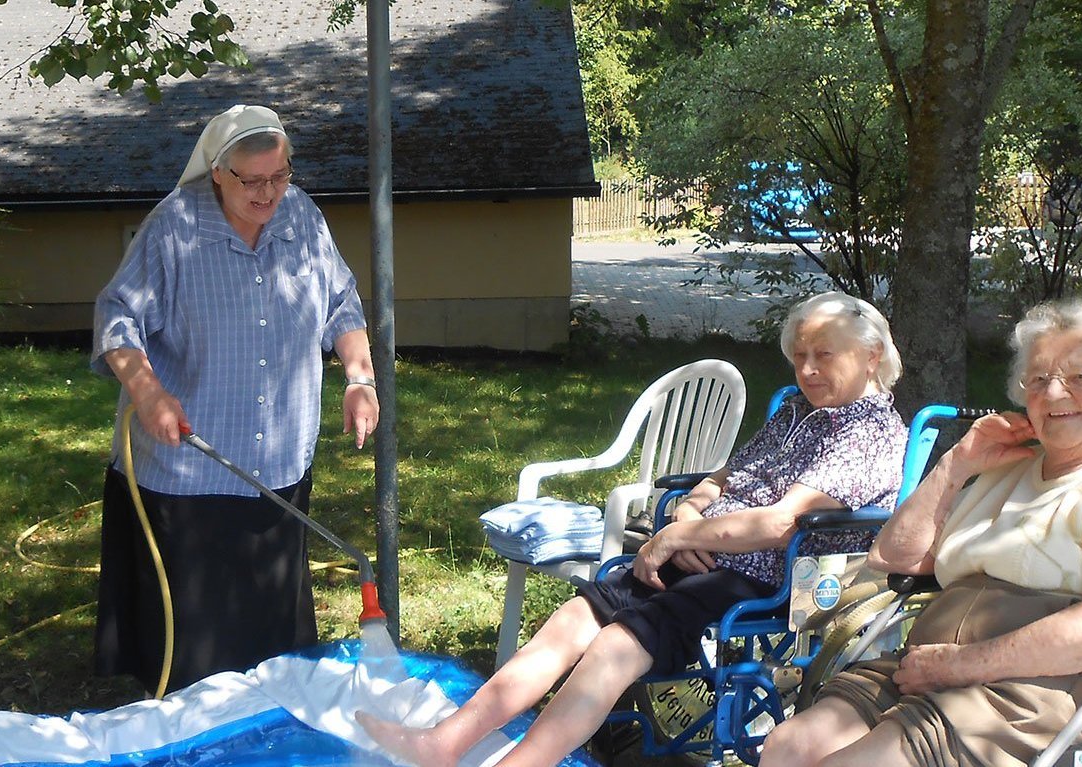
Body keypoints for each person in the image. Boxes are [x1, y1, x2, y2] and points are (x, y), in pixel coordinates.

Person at [359, 291, 908, 767]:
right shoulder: (796, 411)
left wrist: (675, 538)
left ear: (871, 356)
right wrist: (687, 512)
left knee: (616, 646)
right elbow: (726, 477)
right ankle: (444, 743)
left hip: (770, 580)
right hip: (707, 552)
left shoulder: (869, 435)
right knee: (575, 618)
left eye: (823, 356)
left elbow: (779, 523)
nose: (807, 369)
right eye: (800, 357)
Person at [763, 299, 1082, 767]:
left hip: (1060, 689)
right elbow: (895, 557)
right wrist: (955, 465)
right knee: (790, 747)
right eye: (1039, 379)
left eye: (1081, 377)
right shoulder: (1012, 467)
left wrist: (962, 665)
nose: (1054, 393)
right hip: (940, 672)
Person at [90, 104, 378, 693]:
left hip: (279, 465)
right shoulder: (175, 228)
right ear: (218, 172)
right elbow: (117, 316)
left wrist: (359, 376)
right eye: (253, 180)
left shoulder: (302, 216)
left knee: (271, 648)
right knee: (194, 653)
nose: (269, 192)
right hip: (190, 472)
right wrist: (148, 394)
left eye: (280, 175)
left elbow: (341, 300)